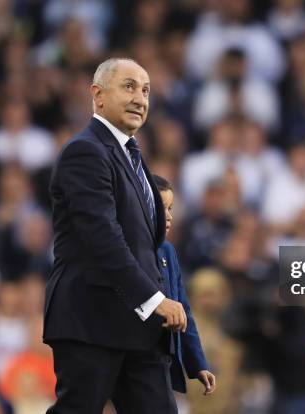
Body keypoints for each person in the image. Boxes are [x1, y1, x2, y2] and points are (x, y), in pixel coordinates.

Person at [43, 58, 187, 414]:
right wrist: (154, 300)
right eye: (129, 86)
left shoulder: (134, 159)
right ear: (98, 95)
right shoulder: (85, 151)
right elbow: (102, 237)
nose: (141, 98)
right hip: (91, 319)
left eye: (146, 90)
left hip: (139, 328)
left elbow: (149, 249)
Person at [153, 174, 216, 396]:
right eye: (162, 208)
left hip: (158, 359)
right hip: (127, 355)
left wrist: (198, 364)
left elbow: (184, 311)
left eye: (171, 208)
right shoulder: (127, 250)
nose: (169, 216)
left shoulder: (168, 252)